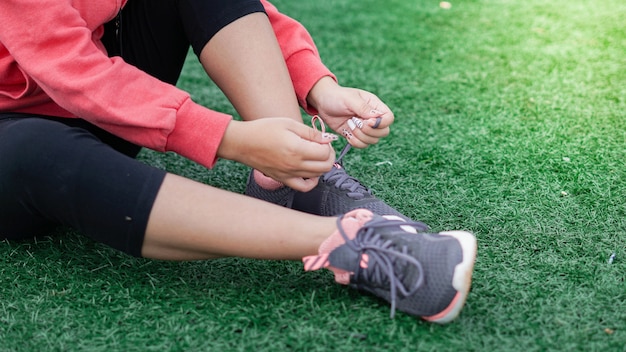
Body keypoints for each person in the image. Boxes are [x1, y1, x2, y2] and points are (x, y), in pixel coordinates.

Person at [0, 0, 477, 323]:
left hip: (91, 105)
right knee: (32, 151)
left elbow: (246, 10)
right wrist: (230, 138)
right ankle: (354, 243)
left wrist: (319, 87)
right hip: (17, 138)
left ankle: (297, 176)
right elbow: (73, 71)